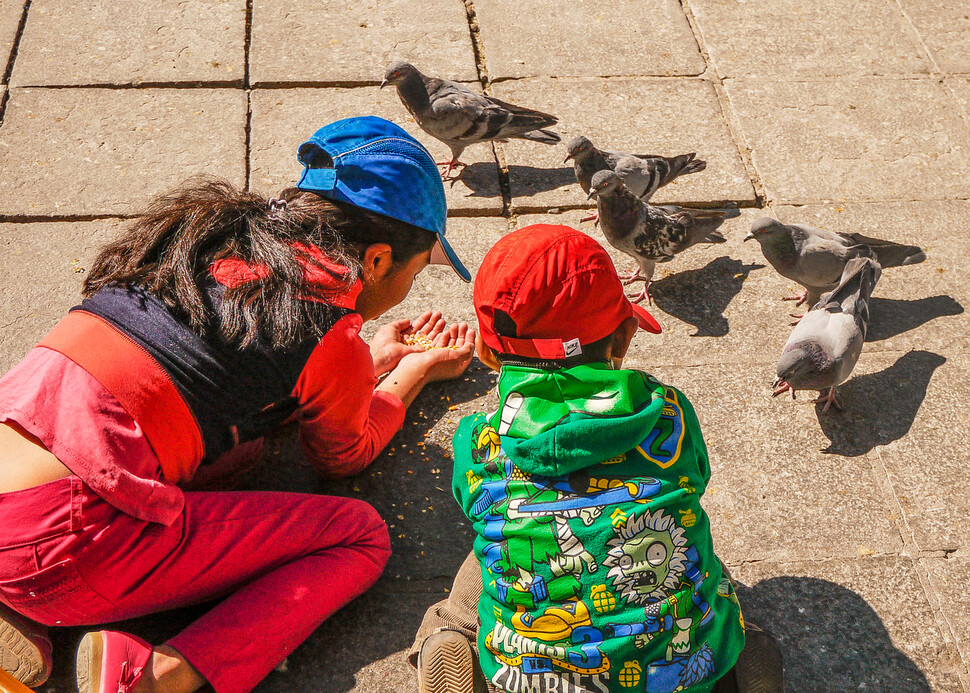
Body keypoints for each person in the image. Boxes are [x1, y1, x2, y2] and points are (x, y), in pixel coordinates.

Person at [0, 116, 476, 693]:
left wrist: (366, 361)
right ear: (376, 261)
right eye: (414, 272)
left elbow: (237, 369)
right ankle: (153, 674)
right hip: (57, 541)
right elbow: (345, 454)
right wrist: (411, 374)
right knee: (360, 536)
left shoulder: (202, 244)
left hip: (17, 470)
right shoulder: (325, 323)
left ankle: (24, 610)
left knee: (225, 450)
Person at [410, 225, 784, 693]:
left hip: (527, 678)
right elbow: (696, 477)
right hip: (675, 672)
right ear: (624, 337)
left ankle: (448, 636)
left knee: (491, 543)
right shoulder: (670, 415)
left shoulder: (477, 443)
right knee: (721, 593)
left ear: (487, 353)